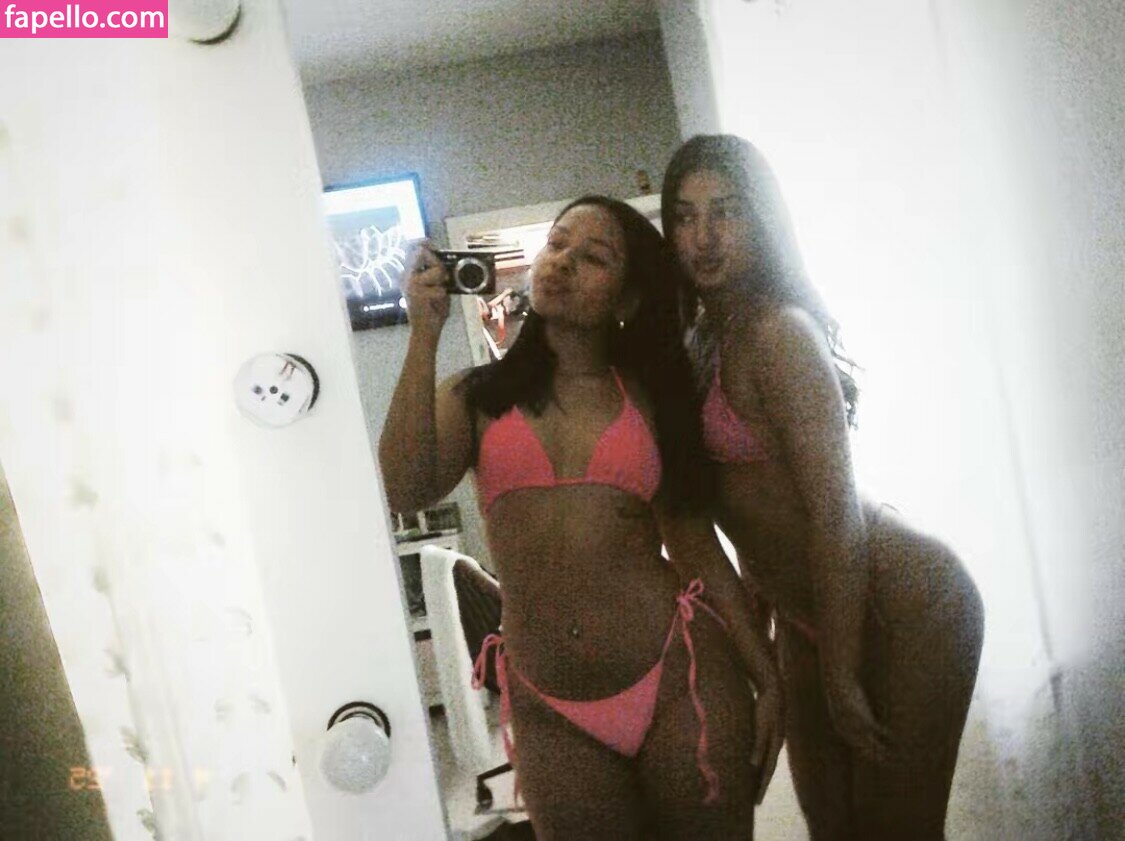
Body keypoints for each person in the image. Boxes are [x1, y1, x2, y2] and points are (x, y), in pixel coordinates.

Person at [379, 195, 782, 839]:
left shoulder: (652, 399)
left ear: (627, 298)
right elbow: (404, 489)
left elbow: (695, 547)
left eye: (594, 257)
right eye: (558, 242)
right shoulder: (478, 396)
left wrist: (768, 678)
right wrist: (422, 333)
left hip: (679, 676)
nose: (562, 262)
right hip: (549, 706)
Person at [661, 134, 986, 840]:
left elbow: (835, 513)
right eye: (685, 216)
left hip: (905, 605)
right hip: (809, 617)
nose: (704, 236)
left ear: (761, 221)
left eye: (726, 211)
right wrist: (772, 651)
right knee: (832, 826)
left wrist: (840, 673)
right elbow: (730, 519)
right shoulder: (698, 343)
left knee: (897, 829)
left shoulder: (779, 333)